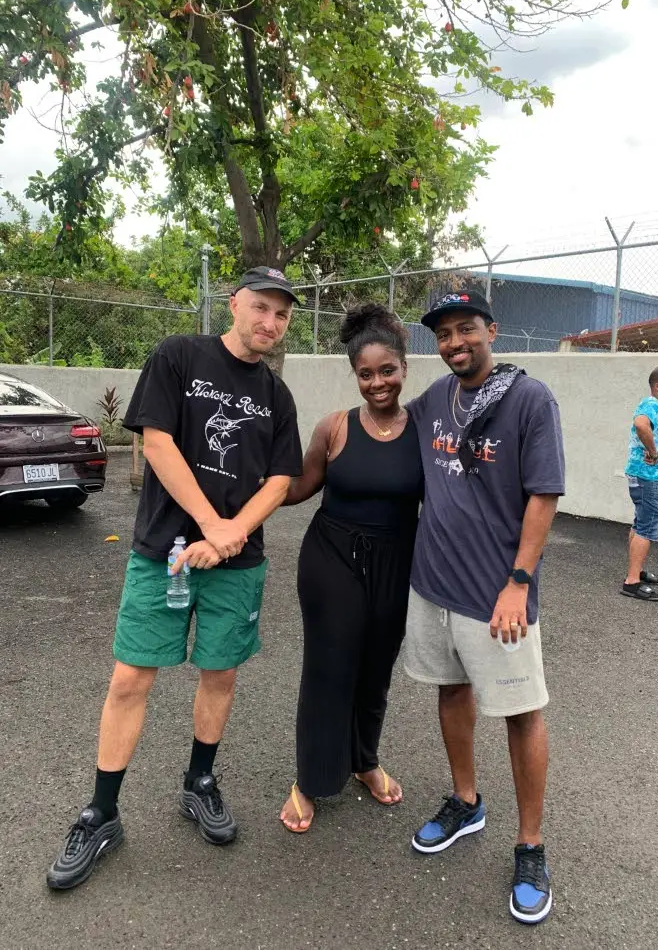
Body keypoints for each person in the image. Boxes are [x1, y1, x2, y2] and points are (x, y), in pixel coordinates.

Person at [47, 267, 303, 890]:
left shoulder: (276, 395)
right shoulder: (179, 356)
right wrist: (211, 523)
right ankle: (101, 812)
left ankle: (200, 782)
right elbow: (158, 444)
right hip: (163, 550)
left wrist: (230, 533)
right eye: (261, 308)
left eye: (283, 315)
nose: (270, 323)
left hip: (236, 562)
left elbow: (280, 480)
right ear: (235, 304)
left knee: (220, 673)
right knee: (131, 676)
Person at [404, 290, 565, 925]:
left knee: (522, 713)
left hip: (498, 596)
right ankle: (466, 801)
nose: (454, 342)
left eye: (465, 328)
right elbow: (380, 417)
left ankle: (530, 846)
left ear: (491, 330)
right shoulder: (434, 401)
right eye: (443, 333)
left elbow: (545, 494)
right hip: (433, 584)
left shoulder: (531, 400)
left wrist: (519, 581)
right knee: (450, 691)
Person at [279, 304, 423, 833]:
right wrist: (245, 482)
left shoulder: (424, 431)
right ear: (355, 375)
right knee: (329, 668)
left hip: (397, 562)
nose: (377, 383)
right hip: (332, 559)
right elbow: (296, 489)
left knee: (375, 669)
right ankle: (311, 779)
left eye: (387, 371)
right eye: (366, 374)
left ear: (404, 368)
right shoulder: (334, 428)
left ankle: (364, 760)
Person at [621, 365, 658, 602]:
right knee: (649, 524)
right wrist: (653, 453)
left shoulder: (655, 407)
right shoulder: (651, 405)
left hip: (647, 476)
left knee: (641, 523)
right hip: (651, 477)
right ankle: (632, 582)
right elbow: (640, 424)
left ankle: (636, 571)